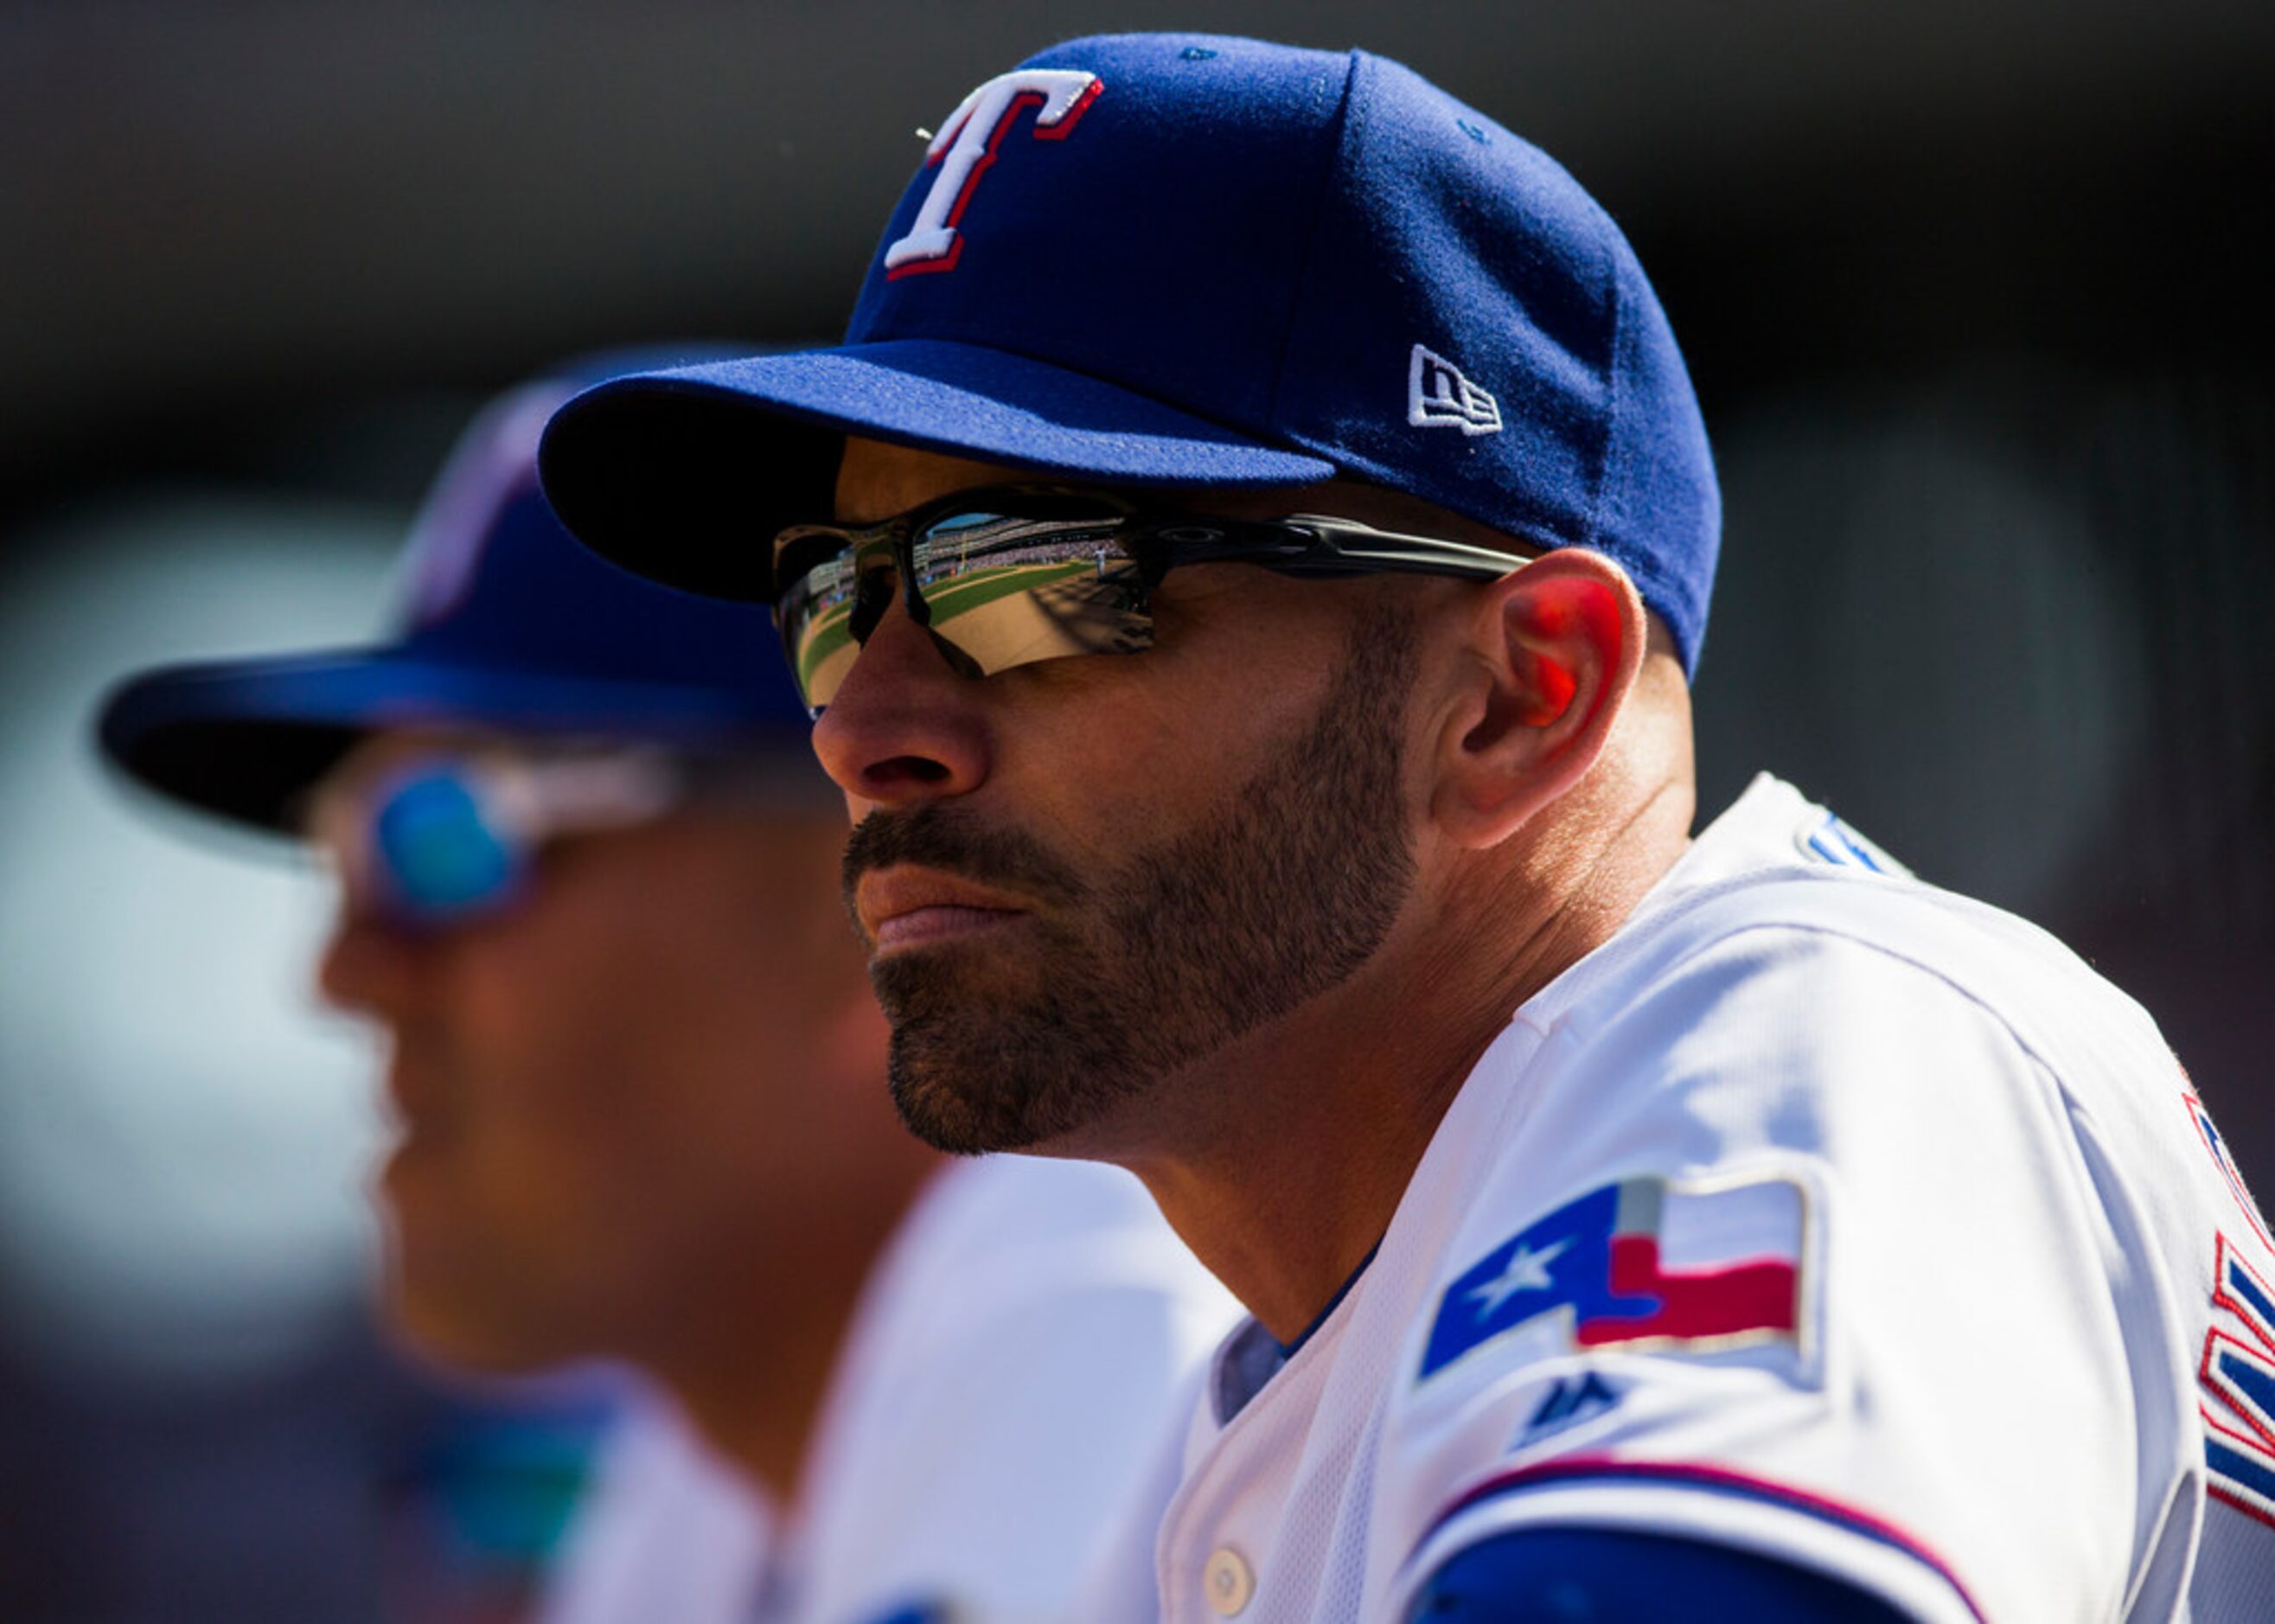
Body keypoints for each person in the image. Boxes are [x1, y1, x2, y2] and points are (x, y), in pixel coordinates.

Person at [534, 32, 2275, 1624]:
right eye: (832, 602)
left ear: (1527, 692)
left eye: (1035, 580)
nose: (863, 727)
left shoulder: (1798, 1041)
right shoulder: (1284, 1377)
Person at [97, 356, 1238, 1624]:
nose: (342, 971)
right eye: (340, 847)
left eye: (444, 833)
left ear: (866, 875)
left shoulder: (1133, 1374)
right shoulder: (706, 1476)